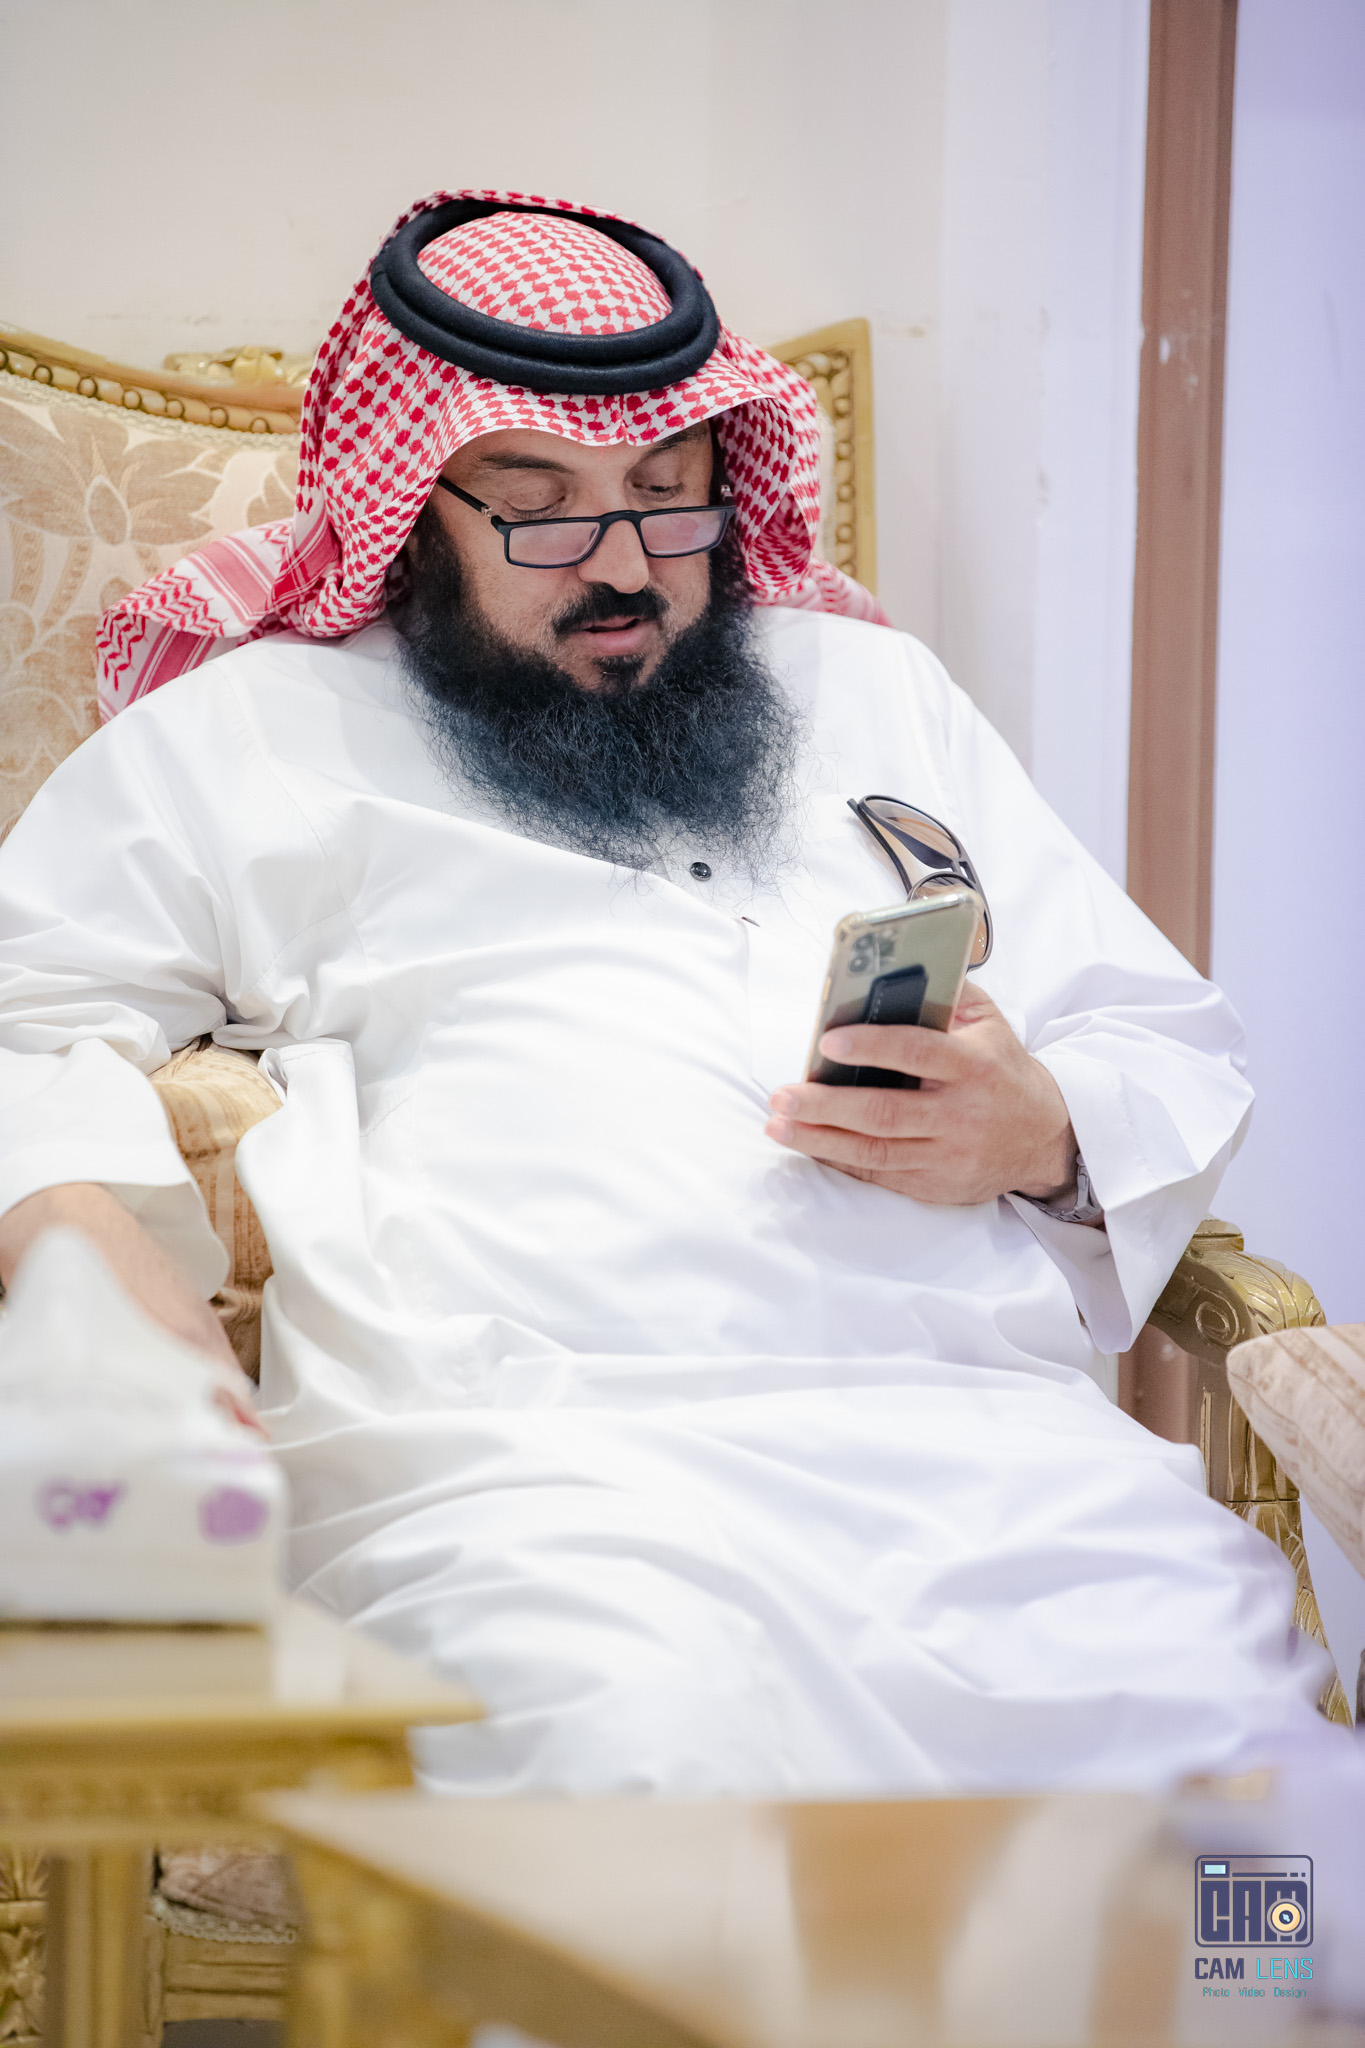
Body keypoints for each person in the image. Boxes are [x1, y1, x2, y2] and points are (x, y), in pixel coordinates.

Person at [0, 191, 1340, 1795]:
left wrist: (1043, 1133)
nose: (625, 565)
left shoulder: (873, 693)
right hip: (528, 1470)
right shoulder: (256, 734)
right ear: (413, 507)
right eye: (540, 509)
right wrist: (79, 1242)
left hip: (991, 1458)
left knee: (1248, 1823)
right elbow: (19, 1006)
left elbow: (1156, 1032)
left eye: (666, 494)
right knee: (642, 1792)